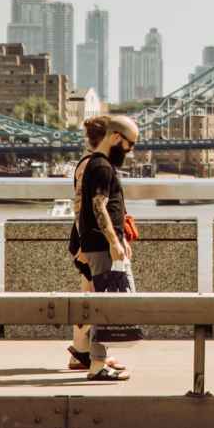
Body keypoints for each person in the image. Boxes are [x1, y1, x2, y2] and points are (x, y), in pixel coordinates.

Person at [75, 114, 139, 381]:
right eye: (129, 144)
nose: (131, 151)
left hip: (101, 243)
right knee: (105, 305)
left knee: (101, 302)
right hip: (102, 246)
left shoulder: (98, 164)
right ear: (115, 138)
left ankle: (91, 357)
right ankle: (97, 366)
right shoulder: (101, 167)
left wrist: (121, 239)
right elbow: (98, 206)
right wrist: (114, 242)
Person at [65, 116, 126, 373]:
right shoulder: (96, 165)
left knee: (89, 298)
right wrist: (84, 246)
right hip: (90, 242)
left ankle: (81, 352)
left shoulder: (85, 163)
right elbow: (85, 208)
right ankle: (92, 358)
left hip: (85, 240)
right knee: (98, 303)